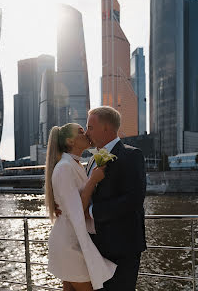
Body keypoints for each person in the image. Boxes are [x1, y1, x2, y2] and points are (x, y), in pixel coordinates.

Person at [45, 123, 117, 291]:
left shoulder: (75, 164)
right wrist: (93, 180)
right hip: (69, 244)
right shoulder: (64, 167)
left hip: (73, 240)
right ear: (70, 141)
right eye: (80, 132)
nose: (86, 134)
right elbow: (76, 210)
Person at [84, 106, 147, 291]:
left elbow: (133, 200)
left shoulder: (131, 155)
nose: (87, 132)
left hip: (123, 248)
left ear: (106, 128)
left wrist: (92, 212)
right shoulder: (90, 160)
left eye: (90, 127)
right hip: (95, 247)